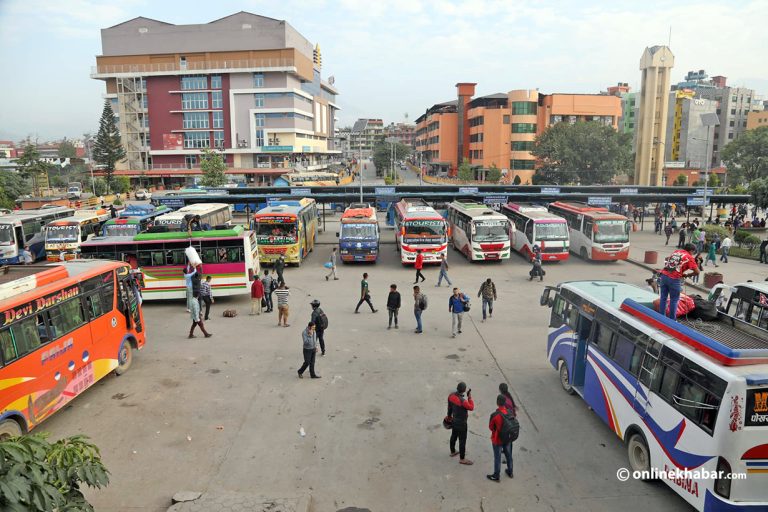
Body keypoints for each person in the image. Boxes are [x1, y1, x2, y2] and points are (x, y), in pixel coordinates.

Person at [659, 243, 699, 320]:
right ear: (691, 250)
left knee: (663, 298)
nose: (693, 254)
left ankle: (661, 317)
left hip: (663, 275)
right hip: (674, 279)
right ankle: (672, 320)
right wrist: (686, 275)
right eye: (693, 252)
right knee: (674, 300)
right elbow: (697, 272)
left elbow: (668, 259)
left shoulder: (676, 252)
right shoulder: (689, 257)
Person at [487, 394, 515, 482]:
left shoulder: (494, 415)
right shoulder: (510, 412)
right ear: (505, 403)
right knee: (508, 455)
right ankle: (510, 471)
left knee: (497, 457)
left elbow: (491, 427)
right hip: (508, 438)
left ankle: (496, 475)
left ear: (497, 403)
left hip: (497, 439)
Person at [447, 382, 474, 465]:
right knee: (462, 441)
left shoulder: (451, 396)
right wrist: (469, 397)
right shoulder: (463, 401)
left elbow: (449, 408)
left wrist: (449, 417)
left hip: (454, 421)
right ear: (464, 390)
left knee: (454, 436)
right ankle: (462, 459)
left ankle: (453, 451)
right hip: (462, 423)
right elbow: (471, 407)